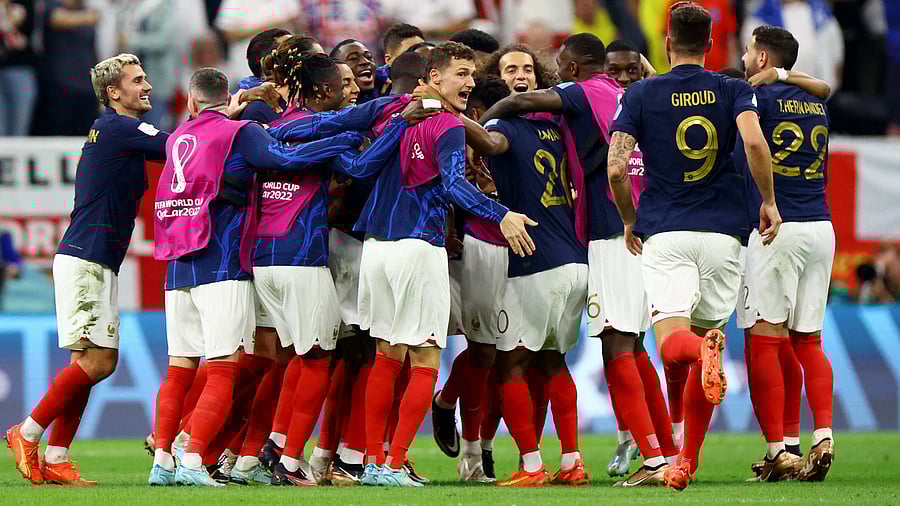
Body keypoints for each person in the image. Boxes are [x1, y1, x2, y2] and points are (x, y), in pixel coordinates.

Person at [147, 67, 365, 488]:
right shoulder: (240, 132)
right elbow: (284, 159)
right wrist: (340, 140)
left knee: (179, 370)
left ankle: (163, 458)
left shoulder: (178, 137)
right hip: (221, 261)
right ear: (226, 97)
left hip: (176, 265)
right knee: (226, 367)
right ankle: (193, 461)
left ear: (192, 102)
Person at [605, 2, 781, 490]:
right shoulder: (733, 88)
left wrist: (628, 219)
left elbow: (617, 168)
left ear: (665, 42)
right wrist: (767, 200)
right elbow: (754, 145)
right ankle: (687, 462)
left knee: (673, 345)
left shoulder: (640, 93)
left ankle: (701, 351)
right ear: (709, 45)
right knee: (708, 343)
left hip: (667, 232)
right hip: (724, 234)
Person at [352, 41, 536, 487]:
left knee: (386, 354)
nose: (470, 83)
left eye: (472, 75)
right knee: (426, 358)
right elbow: (454, 184)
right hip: (417, 246)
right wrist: (502, 214)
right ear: (434, 77)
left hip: (375, 247)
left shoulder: (390, 112)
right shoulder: (445, 125)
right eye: (460, 74)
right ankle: (394, 464)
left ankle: (374, 461)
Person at [4, 53, 165, 487]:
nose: (147, 86)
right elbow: (181, 146)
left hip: (92, 257)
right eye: (137, 80)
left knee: (88, 361)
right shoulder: (119, 127)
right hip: (87, 258)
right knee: (99, 361)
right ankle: (29, 431)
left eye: (146, 78)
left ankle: (57, 456)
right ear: (114, 93)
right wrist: (223, 120)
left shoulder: (116, 131)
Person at [431, 43, 558, 483]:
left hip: (530, 245)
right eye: (510, 69)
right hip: (479, 243)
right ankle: (464, 446)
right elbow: (452, 180)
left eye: (527, 69)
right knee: (484, 349)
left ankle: (480, 447)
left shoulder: (549, 122)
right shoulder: (475, 123)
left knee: (508, 352)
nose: (519, 77)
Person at [739, 24, 835, 482]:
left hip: (779, 225)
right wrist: (788, 75)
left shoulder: (756, 98)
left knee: (765, 336)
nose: (742, 59)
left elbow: (753, 144)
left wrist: (769, 202)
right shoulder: (813, 99)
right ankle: (821, 436)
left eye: (746, 52)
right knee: (809, 339)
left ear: (762, 59)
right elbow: (825, 85)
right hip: (822, 227)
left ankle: (777, 449)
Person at [331, 39, 379, 103]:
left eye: (369, 57)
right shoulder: (328, 110)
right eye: (353, 58)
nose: (365, 61)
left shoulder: (388, 87)